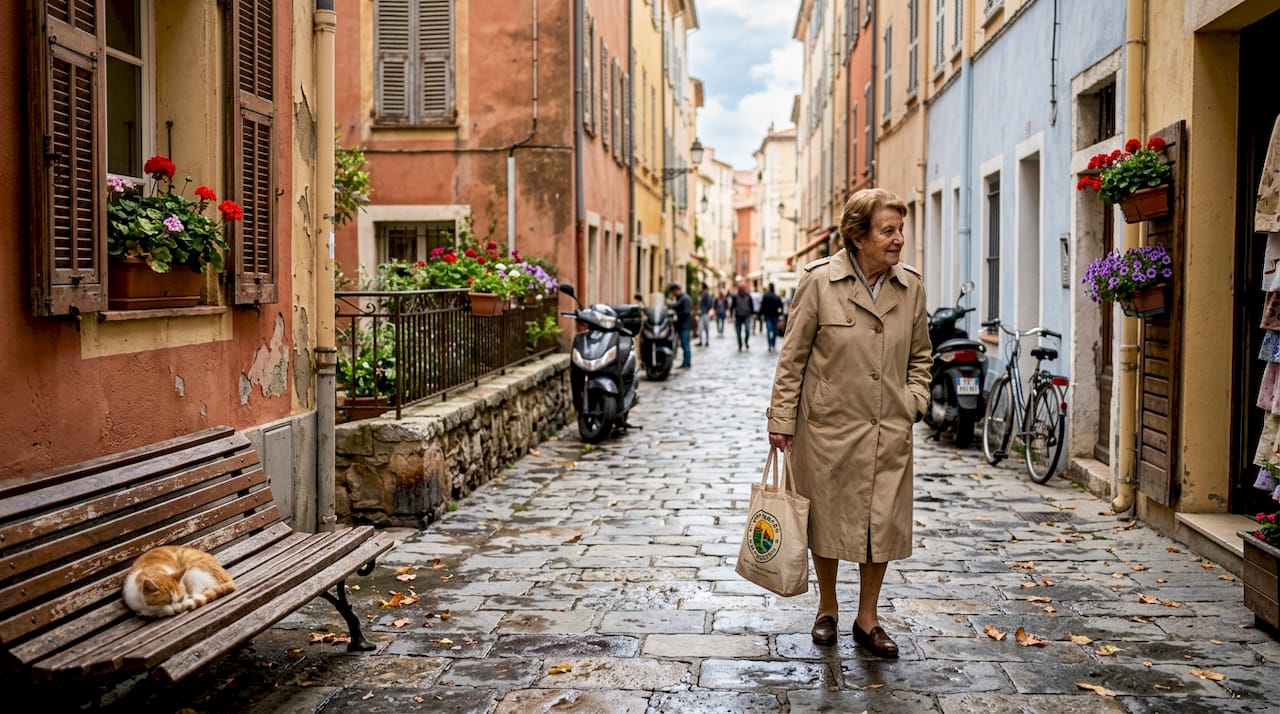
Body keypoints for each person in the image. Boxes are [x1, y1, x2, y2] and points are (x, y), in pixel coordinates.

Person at [765, 188, 931, 657]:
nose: (899, 239)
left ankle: (868, 618)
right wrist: (782, 420)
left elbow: (921, 356)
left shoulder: (910, 286)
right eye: (889, 230)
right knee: (828, 519)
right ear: (858, 236)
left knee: (882, 522)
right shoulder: (819, 281)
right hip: (827, 428)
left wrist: (913, 401)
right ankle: (828, 607)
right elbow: (792, 358)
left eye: (900, 230)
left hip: (887, 427)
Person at [668, 282, 693, 368]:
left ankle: (687, 362)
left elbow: (686, 312)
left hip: (684, 326)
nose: (672, 294)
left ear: (676, 290)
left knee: (685, 344)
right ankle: (685, 362)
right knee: (683, 344)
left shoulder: (684, 299)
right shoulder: (681, 298)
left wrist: (676, 317)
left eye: (673, 291)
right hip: (682, 325)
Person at [730, 281, 755, 351]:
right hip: (738, 316)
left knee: (747, 330)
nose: (742, 289)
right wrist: (731, 316)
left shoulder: (748, 296)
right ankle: (740, 344)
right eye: (741, 287)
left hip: (747, 316)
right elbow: (732, 307)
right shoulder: (735, 296)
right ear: (739, 288)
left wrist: (753, 314)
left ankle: (746, 342)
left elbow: (751, 305)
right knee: (738, 332)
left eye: (743, 287)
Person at [760, 282, 784, 352]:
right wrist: (780, 314)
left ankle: (770, 345)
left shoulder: (765, 295)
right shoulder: (776, 296)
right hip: (775, 315)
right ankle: (773, 345)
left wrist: (761, 314)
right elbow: (780, 307)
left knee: (769, 330)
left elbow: (762, 306)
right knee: (774, 331)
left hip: (768, 315)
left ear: (769, 287)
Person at [697, 283, 714, 347]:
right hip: (701, 313)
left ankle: (706, 341)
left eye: (700, 286)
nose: (699, 287)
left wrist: (706, 310)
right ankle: (701, 341)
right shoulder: (701, 294)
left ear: (703, 287)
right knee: (700, 328)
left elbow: (709, 303)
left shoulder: (706, 294)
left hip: (705, 313)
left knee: (706, 327)